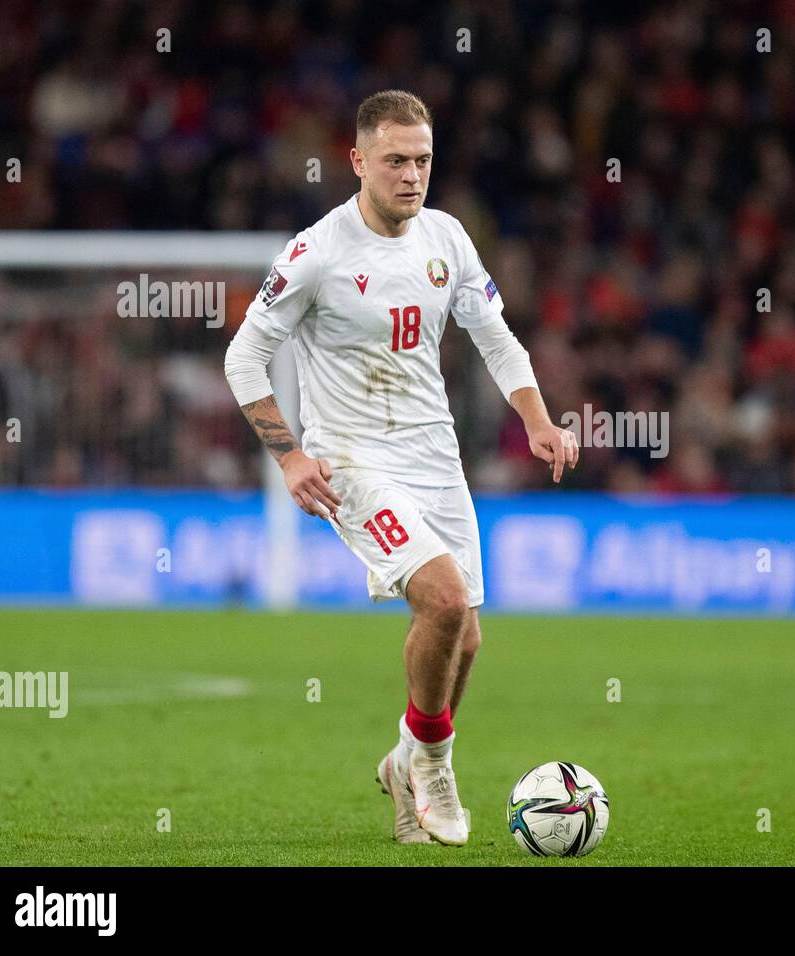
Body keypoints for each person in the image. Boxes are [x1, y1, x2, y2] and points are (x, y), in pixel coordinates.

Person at [223, 89, 578, 846]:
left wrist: (538, 418)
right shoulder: (317, 252)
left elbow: (496, 335)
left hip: (434, 456)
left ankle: (403, 760)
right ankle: (437, 763)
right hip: (352, 459)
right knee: (445, 602)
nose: (411, 175)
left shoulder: (447, 237)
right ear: (357, 161)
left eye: (422, 160)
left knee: (467, 638)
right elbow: (244, 355)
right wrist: (289, 456)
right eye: (394, 161)